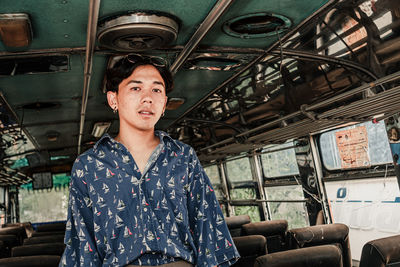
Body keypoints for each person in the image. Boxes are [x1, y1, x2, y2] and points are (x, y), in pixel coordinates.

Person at [60, 54, 240, 267]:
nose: (148, 98)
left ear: (164, 103)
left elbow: (209, 230)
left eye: (156, 90)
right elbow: (82, 245)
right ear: (113, 99)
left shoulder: (184, 157)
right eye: (136, 88)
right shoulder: (88, 165)